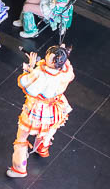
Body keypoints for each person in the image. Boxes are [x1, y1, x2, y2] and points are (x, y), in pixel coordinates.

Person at [8, 45, 74, 178]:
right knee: (47, 129)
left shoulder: (41, 74)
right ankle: (41, 148)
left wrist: (31, 67)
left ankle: (19, 168)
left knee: (21, 137)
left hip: (38, 108)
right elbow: (67, 67)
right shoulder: (65, 70)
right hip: (55, 105)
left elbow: (27, 86)